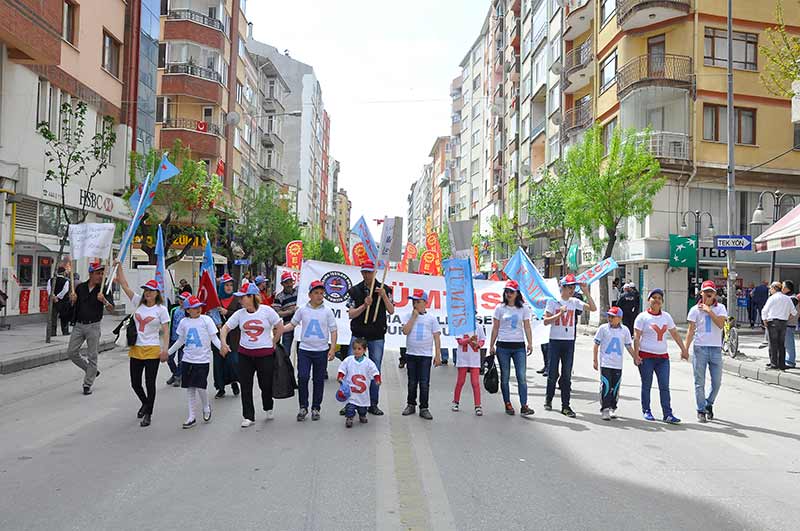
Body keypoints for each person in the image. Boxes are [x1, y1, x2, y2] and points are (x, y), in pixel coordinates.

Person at [220, 283, 284, 427]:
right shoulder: (239, 314)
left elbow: (279, 327)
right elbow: (225, 328)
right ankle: (248, 416)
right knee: (246, 385)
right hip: (245, 355)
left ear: (252, 297)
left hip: (265, 355)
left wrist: (274, 341)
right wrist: (224, 343)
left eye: (243, 297)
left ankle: (268, 406)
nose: (240, 300)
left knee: (265, 384)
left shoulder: (267, 311)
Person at [115, 270, 171, 428]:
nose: (147, 293)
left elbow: (166, 330)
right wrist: (119, 266)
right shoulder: (138, 302)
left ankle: (148, 414)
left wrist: (165, 350)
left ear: (156, 293)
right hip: (136, 348)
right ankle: (145, 403)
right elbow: (124, 285)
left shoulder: (161, 309)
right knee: (135, 383)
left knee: (150, 383)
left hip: (152, 349)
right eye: (146, 290)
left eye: (150, 291)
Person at [344, 259, 395, 416]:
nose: (367, 275)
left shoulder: (385, 289)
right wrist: (364, 306)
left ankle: (373, 403)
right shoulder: (354, 291)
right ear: (361, 273)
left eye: (369, 272)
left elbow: (391, 310)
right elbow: (351, 314)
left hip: (376, 335)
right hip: (358, 334)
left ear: (375, 272)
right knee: (351, 369)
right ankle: (350, 403)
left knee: (375, 370)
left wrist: (384, 296)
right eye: (364, 272)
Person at [542, 274, 596, 418]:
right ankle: (549, 398)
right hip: (555, 341)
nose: (572, 290)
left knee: (567, 374)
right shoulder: (553, 302)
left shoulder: (574, 302)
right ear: (563, 287)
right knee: (552, 372)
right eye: (570, 287)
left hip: (569, 342)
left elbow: (593, 308)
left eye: (573, 287)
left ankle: (566, 406)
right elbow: (546, 321)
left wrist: (586, 292)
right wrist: (559, 314)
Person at [283, 280, 338, 422]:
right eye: (316, 293)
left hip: (321, 351)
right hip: (305, 350)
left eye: (321, 293)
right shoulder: (302, 310)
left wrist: (332, 348)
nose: (319, 296)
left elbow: (333, 330)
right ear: (310, 295)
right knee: (302, 377)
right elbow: (292, 324)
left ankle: (316, 407)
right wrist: (280, 329)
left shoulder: (327, 311)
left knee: (318, 380)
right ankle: (303, 406)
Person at [633, 288, 688, 424]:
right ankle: (646, 410)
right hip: (646, 357)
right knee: (647, 384)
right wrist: (636, 354)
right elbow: (637, 337)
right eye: (654, 297)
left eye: (659, 298)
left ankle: (667, 414)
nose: (656, 300)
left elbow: (674, 334)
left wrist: (684, 349)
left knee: (664, 386)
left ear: (662, 302)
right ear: (648, 300)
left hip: (662, 358)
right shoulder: (642, 317)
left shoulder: (666, 317)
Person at [167, 296, 220, 428]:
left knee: (201, 387)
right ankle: (191, 416)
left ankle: (206, 407)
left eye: (199, 306)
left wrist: (223, 348)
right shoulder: (184, 322)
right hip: (187, 359)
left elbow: (214, 338)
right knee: (190, 388)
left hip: (202, 360)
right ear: (188, 310)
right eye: (194, 307)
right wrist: (167, 353)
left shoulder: (206, 320)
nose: (198, 309)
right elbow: (180, 341)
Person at [489, 279, 535, 417]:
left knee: (521, 376)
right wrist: (491, 345)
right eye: (507, 291)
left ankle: (524, 405)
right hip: (503, 346)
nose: (509, 294)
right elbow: (495, 328)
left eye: (511, 292)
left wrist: (530, 343)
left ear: (517, 293)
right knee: (505, 376)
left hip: (519, 346)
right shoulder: (499, 308)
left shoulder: (524, 308)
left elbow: (527, 326)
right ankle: (507, 403)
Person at [66, 262, 113, 395]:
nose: (100, 276)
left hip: (93, 326)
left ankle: (87, 384)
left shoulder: (103, 289)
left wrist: (104, 301)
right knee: (71, 352)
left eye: (102, 273)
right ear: (90, 274)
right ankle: (91, 370)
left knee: (93, 355)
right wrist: (72, 300)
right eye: (98, 273)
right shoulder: (80, 288)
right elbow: (72, 306)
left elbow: (112, 309)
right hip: (79, 325)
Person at [685, 281, 728, 423]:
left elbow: (721, 324)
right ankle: (701, 409)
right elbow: (690, 331)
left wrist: (709, 310)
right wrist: (685, 348)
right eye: (706, 291)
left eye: (712, 291)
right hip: (700, 348)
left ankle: (708, 403)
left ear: (715, 294)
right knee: (699, 382)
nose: (709, 294)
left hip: (715, 349)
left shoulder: (720, 308)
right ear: (701, 293)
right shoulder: (694, 310)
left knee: (717, 382)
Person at [400, 290, 442, 420]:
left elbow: (436, 337)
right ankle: (411, 404)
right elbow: (405, 331)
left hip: (425, 355)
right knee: (412, 382)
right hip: (411, 354)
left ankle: (424, 407)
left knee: (424, 383)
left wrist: (438, 355)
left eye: (418, 301)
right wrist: (413, 317)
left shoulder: (431, 319)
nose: (415, 304)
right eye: (413, 301)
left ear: (425, 303)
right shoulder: (408, 316)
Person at [593, 307, 639, 420]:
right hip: (605, 363)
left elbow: (628, 346)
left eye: (612, 316)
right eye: (608, 316)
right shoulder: (603, 329)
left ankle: (613, 407)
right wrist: (595, 360)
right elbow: (596, 345)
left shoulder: (625, 330)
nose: (610, 318)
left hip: (617, 364)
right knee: (606, 386)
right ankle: (605, 409)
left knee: (615, 387)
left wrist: (635, 357)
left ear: (619, 318)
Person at [337, 338, 381, 428]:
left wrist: (377, 379)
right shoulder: (348, 360)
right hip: (351, 391)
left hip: (363, 393)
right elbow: (342, 368)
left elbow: (374, 371)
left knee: (362, 408)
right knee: (350, 407)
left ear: (365, 350)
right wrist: (340, 376)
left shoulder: (368, 363)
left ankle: (362, 415)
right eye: (355, 349)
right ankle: (349, 418)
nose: (356, 351)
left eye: (359, 349)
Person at [210, 274, 240, 398]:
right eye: (226, 285)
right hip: (218, 336)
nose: (229, 287)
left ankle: (234, 382)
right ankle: (220, 388)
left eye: (231, 285)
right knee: (218, 363)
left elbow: (240, 315)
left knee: (233, 361)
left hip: (233, 337)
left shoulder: (237, 299)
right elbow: (209, 315)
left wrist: (227, 312)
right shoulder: (215, 300)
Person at [452, 317, 485, 416]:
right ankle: (456, 401)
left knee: (475, 383)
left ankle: (478, 405)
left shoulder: (478, 326)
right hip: (463, 358)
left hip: (474, 359)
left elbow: (482, 340)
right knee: (460, 381)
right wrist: (469, 339)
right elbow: (460, 341)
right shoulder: (460, 326)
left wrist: (478, 344)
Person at [762, 281, 798, 371]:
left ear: (774, 288)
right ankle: (782, 364)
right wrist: (786, 317)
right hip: (783, 323)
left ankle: (774, 364)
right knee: (781, 344)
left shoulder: (772, 298)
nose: (770, 290)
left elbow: (764, 310)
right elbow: (794, 312)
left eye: (771, 288)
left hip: (772, 322)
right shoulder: (787, 298)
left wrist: (764, 320)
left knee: (773, 344)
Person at [166, 291, 190, 387]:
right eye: (180, 299)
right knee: (169, 358)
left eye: (184, 300)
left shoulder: (188, 312)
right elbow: (170, 323)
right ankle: (175, 373)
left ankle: (178, 377)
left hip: (184, 340)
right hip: (173, 338)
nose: (181, 301)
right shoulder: (174, 310)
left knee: (181, 359)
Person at [273, 271, 298, 355]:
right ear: (282, 284)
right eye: (286, 282)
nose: (289, 284)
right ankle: (285, 367)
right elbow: (277, 313)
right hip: (288, 325)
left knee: (301, 351)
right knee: (286, 351)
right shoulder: (279, 297)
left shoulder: (299, 291)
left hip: (301, 325)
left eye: (290, 282)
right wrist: (290, 311)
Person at [48, 266, 71, 336]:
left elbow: (49, 289)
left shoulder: (50, 280)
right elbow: (65, 290)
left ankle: (52, 332)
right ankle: (65, 331)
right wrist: (58, 297)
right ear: (63, 272)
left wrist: (53, 296)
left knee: (53, 317)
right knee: (64, 317)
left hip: (53, 301)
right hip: (63, 301)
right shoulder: (66, 281)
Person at [782, 280, 798, 369]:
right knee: (786, 343)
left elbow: (789, 311)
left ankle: (790, 361)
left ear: (787, 288)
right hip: (786, 323)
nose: (782, 288)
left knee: (789, 344)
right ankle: (787, 360)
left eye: (783, 286)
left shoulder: (792, 298)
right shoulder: (788, 297)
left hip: (789, 323)